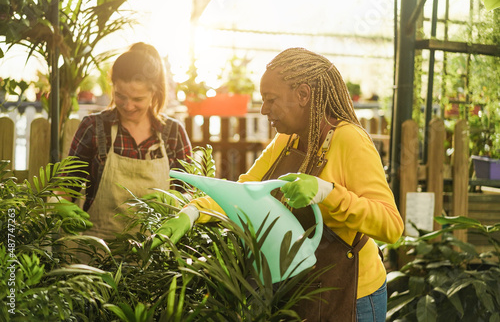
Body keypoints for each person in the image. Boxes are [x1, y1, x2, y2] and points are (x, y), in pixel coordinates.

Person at [154, 47, 403, 321]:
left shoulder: (350, 140)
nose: (263, 110)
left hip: (353, 295)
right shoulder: (288, 140)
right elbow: (244, 191)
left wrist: (326, 193)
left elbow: (391, 226)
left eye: (271, 99)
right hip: (302, 290)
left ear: (303, 95)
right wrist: (193, 212)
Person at [64, 42, 192, 239]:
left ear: (154, 93)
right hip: (97, 250)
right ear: (112, 86)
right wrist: (60, 205)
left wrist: (174, 200)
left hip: (156, 253)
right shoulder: (94, 127)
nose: (128, 106)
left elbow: (190, 196)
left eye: (138, 99)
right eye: (120, 96)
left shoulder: (173, 133)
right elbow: (65, 187)